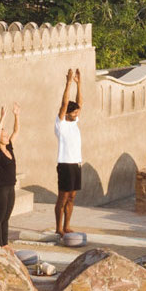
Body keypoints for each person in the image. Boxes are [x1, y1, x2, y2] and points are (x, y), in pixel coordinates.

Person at [54, 68, 83, 238]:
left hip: (76, 163)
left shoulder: (74, 122)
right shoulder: (61, 123)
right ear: (68, 114)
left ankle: (67, 225)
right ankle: (59, 228)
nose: (77, 114)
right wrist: (69, 83)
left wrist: (80, 84)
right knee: (63, 197)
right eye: (74, 112)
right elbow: (64, 103)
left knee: (72, 196)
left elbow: (79, 102)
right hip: (65, 164)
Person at [0, 103, 19, 247]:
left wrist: (16, 116)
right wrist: (2, 118)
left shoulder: (9, 148)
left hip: (11, 187)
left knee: (7, 218)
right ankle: (0, 245)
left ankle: (5, 245)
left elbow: (16, 131)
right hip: (0, 189)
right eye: (4, 135)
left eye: (6, 135)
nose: (7, 137)